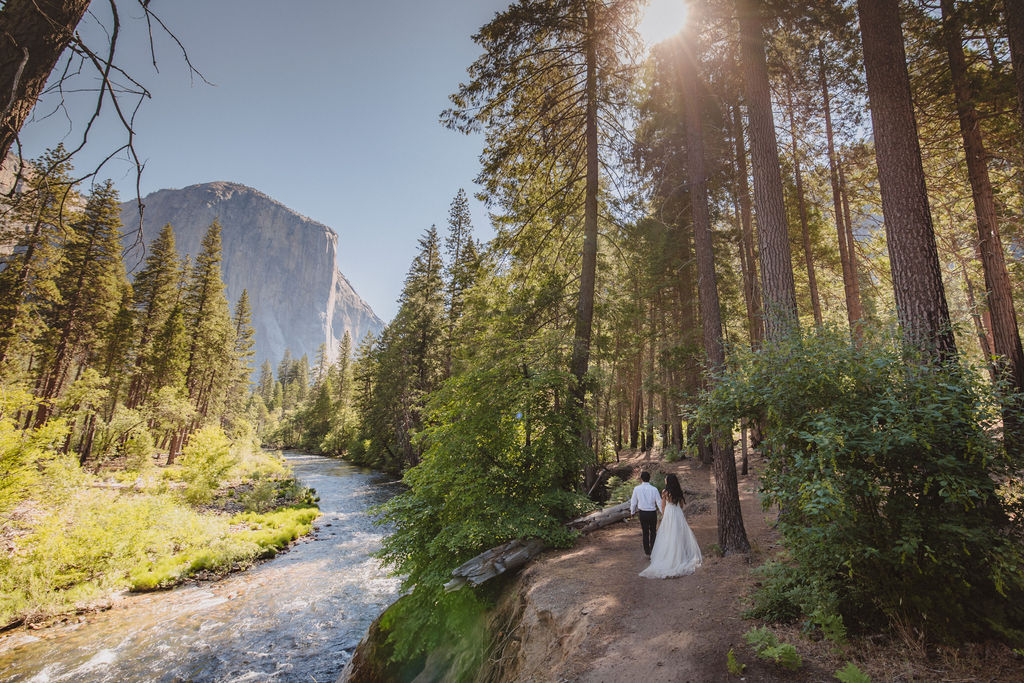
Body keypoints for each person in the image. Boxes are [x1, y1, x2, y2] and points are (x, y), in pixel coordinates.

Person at [640, 473, 702, 579]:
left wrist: (664, 516)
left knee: (668, 533)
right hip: (677, 513)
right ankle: (681, 554)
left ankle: (669, 555)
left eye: (666, 479)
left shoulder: (665, 492)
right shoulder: (678, 492)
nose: (665, 479)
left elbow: (663, 506)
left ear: (668, 481)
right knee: (678, 533)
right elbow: (681, 505)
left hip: (669, 514)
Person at [629, 471, 662, 557]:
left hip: (642, 513)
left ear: (641, 479)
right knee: (653, 531)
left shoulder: (637, 489)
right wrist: (663, 512)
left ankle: (647, 551)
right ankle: (653, 549)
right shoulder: (654, 489)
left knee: (645, 532)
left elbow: (633, 501)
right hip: (652, 513)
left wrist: (632, 512)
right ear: (649, 478)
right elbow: (659, 502)